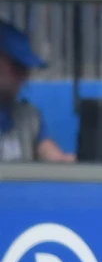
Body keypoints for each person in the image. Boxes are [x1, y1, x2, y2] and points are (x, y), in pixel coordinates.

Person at [0, 22, 73, 162]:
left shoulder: (28, 117)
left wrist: (64, 163)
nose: (23, 76)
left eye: (27, 69)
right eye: (18, 67)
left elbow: (47, 149)